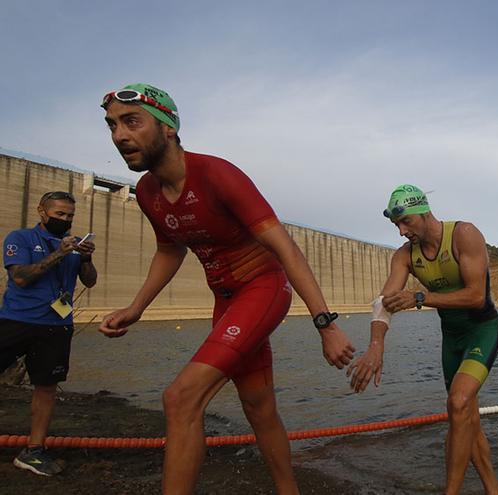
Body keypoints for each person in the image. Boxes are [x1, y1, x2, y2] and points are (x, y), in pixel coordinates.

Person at [98, 83, 355, 495]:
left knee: (181, 399)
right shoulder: (148, 192)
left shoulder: (217, 174)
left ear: (168, 128)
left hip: (264, 288)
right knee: (258, 406)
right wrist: (137, 307)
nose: (119, 136)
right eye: (112, 125)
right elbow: (169, 250)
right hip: (227, 302)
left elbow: (285, 248)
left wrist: (326, 324)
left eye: (132, 122)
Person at [347, 185, 498, 495]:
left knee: (458, 403)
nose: (403, 232)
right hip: (452, 339)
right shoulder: (405, 256)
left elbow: (475, 296)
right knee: (466, 417)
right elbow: (384, 302)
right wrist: (376, 347)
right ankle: (494, 491)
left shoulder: (463, 234)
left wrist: (419, 297)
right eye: (396, 226)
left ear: (425, 212)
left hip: (482, 329)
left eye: (406, 222)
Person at [1, 191, 97, 475]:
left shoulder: (74, 245)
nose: (65, 220)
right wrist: (59, 254)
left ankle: (34, 451)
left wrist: (85, 259)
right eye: (59, 215)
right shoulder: (20, 239)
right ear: (42, 212)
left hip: (56, 325)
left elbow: (89, 282)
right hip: (16, 320)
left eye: (69, 216)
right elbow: (20, 277)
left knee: (46, 387)